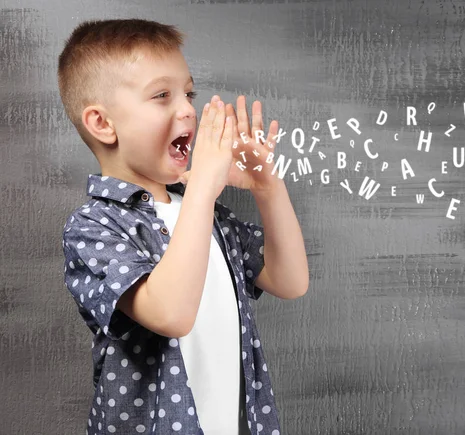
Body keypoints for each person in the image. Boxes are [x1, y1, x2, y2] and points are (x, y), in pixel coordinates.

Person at [58, 18, 309, 435]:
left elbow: (291, 280)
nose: (189, 108)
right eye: (162, 96)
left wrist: (268, 186)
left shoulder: (204, 211)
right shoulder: (93, 227)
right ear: (103, 123)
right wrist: (203, 189)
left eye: (188, 93)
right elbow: (171, 313)